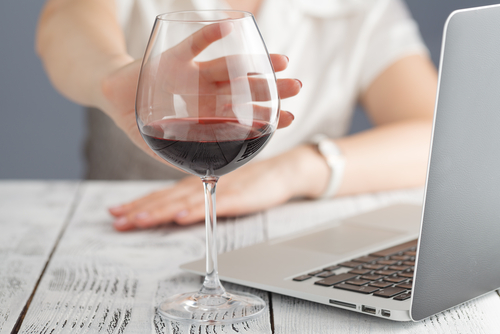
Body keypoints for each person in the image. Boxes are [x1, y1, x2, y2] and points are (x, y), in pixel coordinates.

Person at [36, 0, 437, 231]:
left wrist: (293, 170)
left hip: (288, 234)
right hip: (124, 229)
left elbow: (437, 138)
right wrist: (112, 77)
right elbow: (65, 21)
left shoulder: (361, 8)